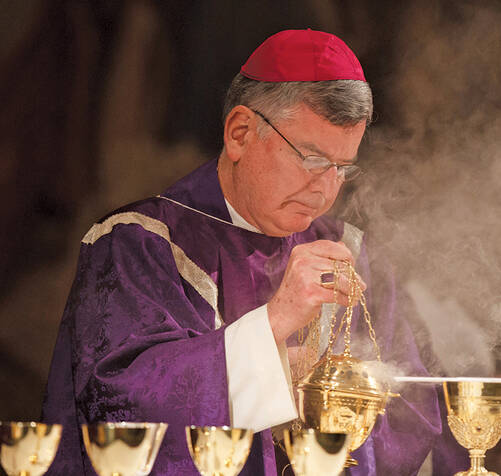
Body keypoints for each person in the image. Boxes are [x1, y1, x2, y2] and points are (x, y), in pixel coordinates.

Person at [42, 29, 441, 475]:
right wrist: (273, 325)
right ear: (240, 133)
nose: (325, 188)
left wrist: (337, 405)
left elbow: (414, 413)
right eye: (310, 160)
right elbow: (116, 410)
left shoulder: (350, 255)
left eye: (342, 168)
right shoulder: (137, 245)